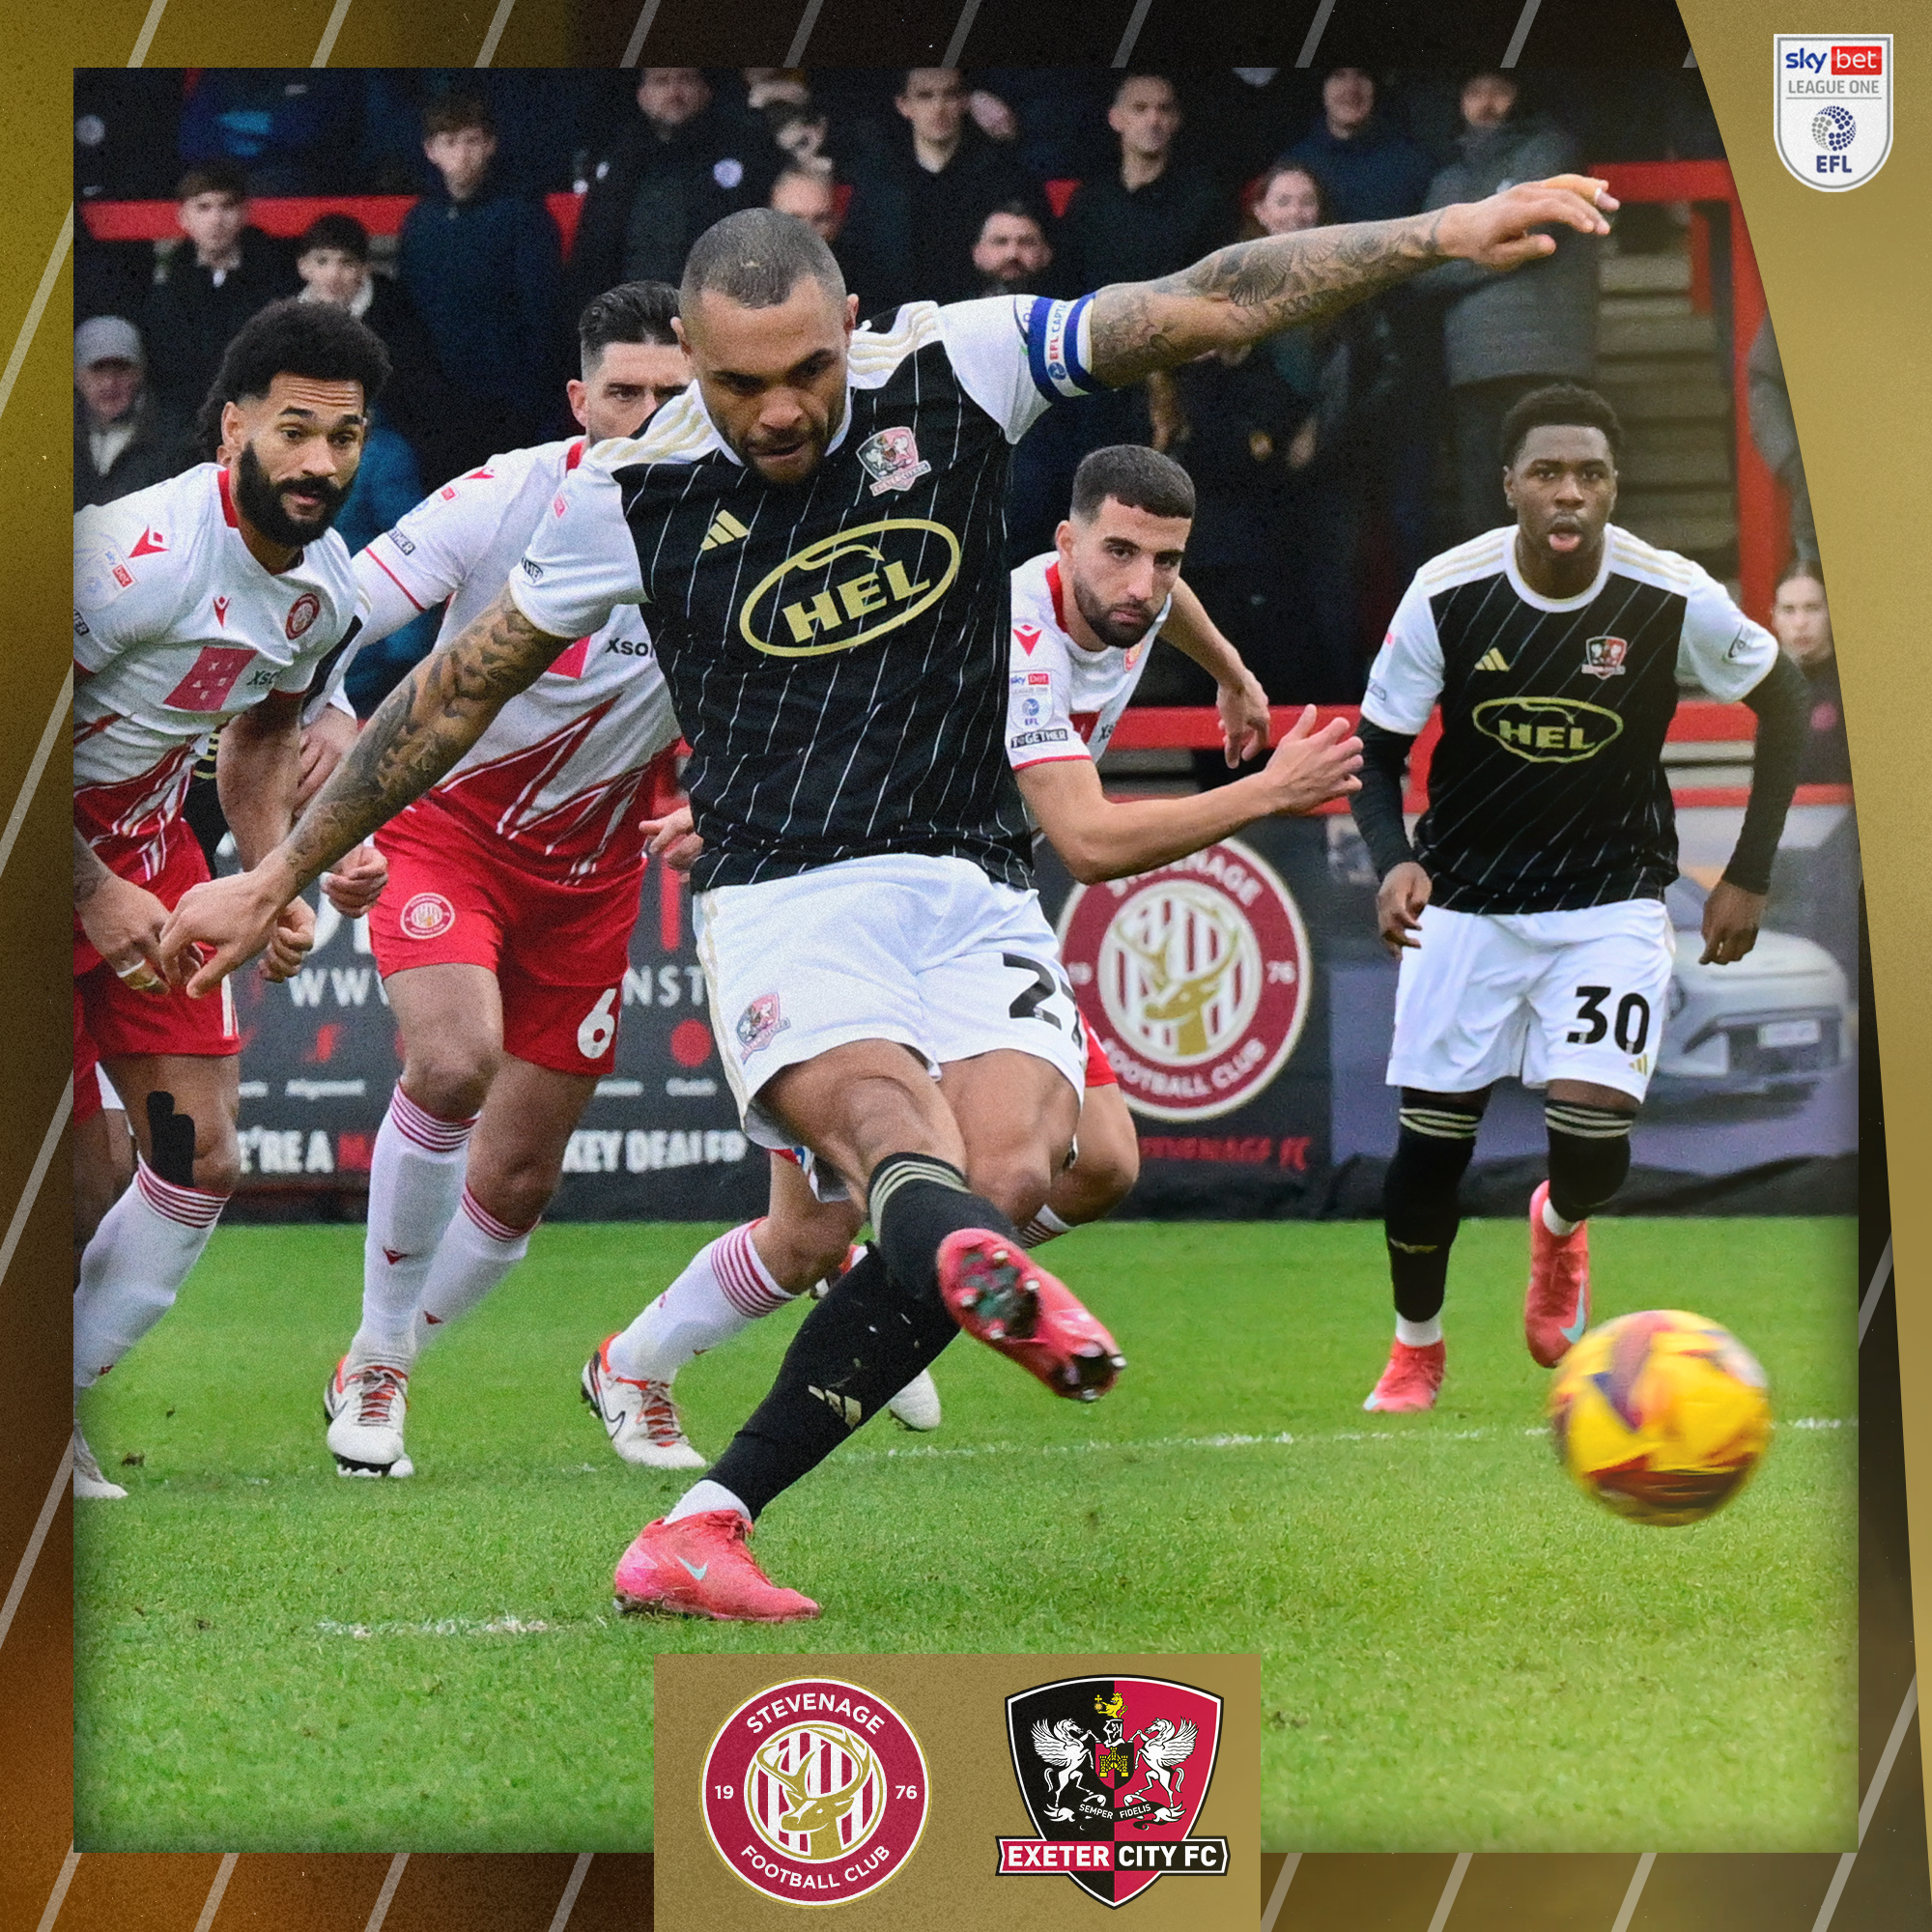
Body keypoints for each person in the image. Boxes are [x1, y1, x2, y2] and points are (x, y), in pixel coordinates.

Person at [163, 175, 1622, 1619]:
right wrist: (279, 871)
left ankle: (707, 1522)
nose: (783, 412)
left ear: (849, 325)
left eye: (808, 371)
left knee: (1026, 1167)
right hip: (784, 887)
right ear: (693, 356)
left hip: (973, 880)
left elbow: (1203, 300)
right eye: (742, 386)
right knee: (883, 1135)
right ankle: (932, 1274)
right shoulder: (631, 494)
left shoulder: (956, 366)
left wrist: (1432, 234)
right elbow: (445, 698)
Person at [594, 446, 1328, 1452]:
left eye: (1163, 560)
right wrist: (1268, 789)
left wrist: (1234, 677)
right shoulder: (1015, 629)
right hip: (853, 892)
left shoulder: (1132, 590)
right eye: (1118, 554)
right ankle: (633, 1360)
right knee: (808, 1236)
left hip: (976, 907)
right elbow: (1089, 839)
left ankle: (912, 1263)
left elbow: (1166, 598)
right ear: (1063, 542)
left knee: (1100, 1159)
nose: (1142, 584)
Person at [1349, 384, 1810, 1414]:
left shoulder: (1666, 592)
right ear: (1507, 483)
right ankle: (1413, 1348)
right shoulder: (1444, 590)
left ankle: (1559, 1225)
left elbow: (1782, 698)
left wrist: (1748, 868)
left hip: (1607, 903)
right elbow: (1374, 753)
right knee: (1427, 1150)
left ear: (1611, 490)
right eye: (1547, 472)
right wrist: (1392, 858)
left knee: (1594, 1147)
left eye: (1589, 475)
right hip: (1462, 903)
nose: (1569, 492)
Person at [318, 282, 696, 1476]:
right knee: (451, 1059)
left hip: (590, 875)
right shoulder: (507, 492)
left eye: (672, 397)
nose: (645, 417)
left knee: (521, 1180)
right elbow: (344, 606)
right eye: (624, 395)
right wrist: (332, 738)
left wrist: (712, 802)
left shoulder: (746, 522)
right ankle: (378, 1361)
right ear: (581, 400)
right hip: (447, 828)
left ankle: (390, 1353)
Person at [71, 300, 391, 1494]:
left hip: (152, 854)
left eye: (345, 436)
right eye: (295, 429)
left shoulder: (326, 594)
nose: (319, 462)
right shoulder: (125, 555)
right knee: (73, 1176)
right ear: (232, 429)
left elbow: (259, 738)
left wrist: (269, 872)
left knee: (195, 1157)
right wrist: (92, 886)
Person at [1419, 73, 1600, 541]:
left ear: (1521, 95)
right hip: (1473, 369)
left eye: (1499, 89)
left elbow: (1530, 236)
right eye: (1473, 90)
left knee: (1557, 505)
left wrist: (1465, 250)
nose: (1487, 103)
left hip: (1548, 361)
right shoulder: (1446, 178)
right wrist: (1490, 249)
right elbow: (1423, 272)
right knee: (1486, 512)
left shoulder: (1550, 151)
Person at [397, 96, 562, 477]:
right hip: (439, 402)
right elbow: (410, 312)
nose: (462, 154)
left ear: (490, 145)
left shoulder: (523, 215)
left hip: (508, 399)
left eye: (471, 141)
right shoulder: (421, 222)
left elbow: (542, 311)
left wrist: (530, 393)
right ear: (430, 151)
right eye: (449, 142)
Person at [566, 69, 780, 308]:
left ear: (706, 91)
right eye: (661, 82)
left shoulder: (745, 154)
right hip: (631, 316)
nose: (674, 93)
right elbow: (592, 260)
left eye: (686, 79)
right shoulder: (620, 161)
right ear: (641, 94)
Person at [837, 68, 1042, 313]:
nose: (939, 108)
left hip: (980, 319)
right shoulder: (877, 180)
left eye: (950, 95)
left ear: (965, 101)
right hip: (896, 320)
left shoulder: (1005, 176)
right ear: (904, 105)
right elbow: (860, 260)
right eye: (925, 96)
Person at [294, 213, 450, 487]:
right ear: (303, 267)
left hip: (381, 444)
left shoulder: (396, 315)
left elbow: (416, 395)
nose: (333, 274)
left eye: (346, 263)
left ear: (365, 268)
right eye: (322, 261)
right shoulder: (283, 320)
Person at [141, 161, 298, 418]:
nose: (216, 219)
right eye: (203, 207)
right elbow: (167, 376)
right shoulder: (167, 294)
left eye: (227, 206)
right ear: (183, 217)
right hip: (188, 428)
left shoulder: (278, 285)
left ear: (244, 213)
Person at [1058, 74, 1230, 297]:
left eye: (1164, 109)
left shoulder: (1204, 200)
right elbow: (1068, 279)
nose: (1153, 120)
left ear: (1176, 120)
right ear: (1115, 118)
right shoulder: (1090, 200)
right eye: (1140, 109)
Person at [74, 317, 188, 510]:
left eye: (121, 368)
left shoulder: (176, 443)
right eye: (98, 369)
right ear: (77, 376)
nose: (109, 383)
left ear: (140, 372)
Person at [1771, 559, 1850, 787]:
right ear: (1774, 617)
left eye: (1812, 608)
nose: (1800, 622)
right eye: (1788, 610)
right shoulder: (1775, 694)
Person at [971, 202, 1054, 297]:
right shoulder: (955, 310)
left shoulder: (1071, 310)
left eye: (1026, 242)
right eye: (1000, 242)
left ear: (1046, 254)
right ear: (977, 253)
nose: (1012, 254)